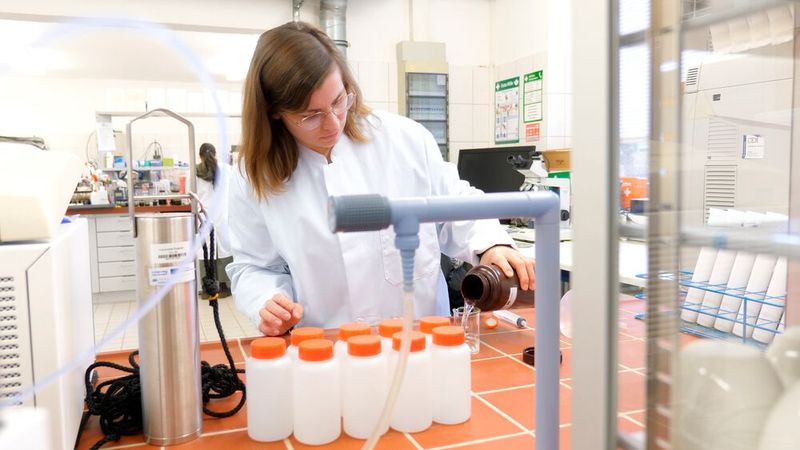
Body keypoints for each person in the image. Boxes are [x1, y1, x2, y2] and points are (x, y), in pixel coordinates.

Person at [227, 21, 535, 336]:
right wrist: (267, 300)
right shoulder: (254, 177)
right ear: (275, 112)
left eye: (337, 101)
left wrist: (490, 245)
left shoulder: (403, 138)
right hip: (328, 347)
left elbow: (456, 205)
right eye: (311, 115)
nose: (332, 123)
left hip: (424, 340)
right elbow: (254, 266)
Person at [196, 142, 232, 297]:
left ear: (200, 155)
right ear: (215, 153)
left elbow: (190, 193)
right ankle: (225, 287)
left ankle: (207, 289)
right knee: (225, 248)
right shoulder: (226, 169)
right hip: (223, 213)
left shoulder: (196, 170)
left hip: (204, 214)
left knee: (205, 251)